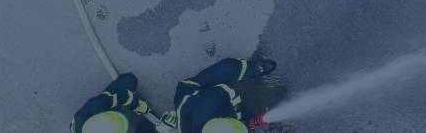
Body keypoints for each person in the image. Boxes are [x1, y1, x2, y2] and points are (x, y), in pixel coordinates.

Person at [71, 58, 277, 133]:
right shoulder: (196, 119)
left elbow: (230, 94)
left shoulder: (90, 111)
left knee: (229, 67)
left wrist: (137, 106)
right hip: (192, 104)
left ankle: (252, 68)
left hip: (195, 91)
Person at [70, 73, 155, 133]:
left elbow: (123, 95)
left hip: (104, 106)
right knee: (148, 129)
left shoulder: (98, 104)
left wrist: (138, 105)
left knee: (129, 79)